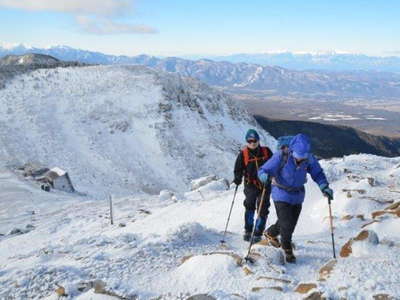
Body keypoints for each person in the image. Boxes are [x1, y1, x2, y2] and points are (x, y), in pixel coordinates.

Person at [257, 133, 333, 263]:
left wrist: (324, 186)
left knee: (289, 223)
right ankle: (286, 247)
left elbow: (318, 173)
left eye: (303, 157)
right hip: (280, 192)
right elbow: (264, 170)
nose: (300, 159)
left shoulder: (308, 158)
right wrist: (263, 175)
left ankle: (270, 232)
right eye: (298, 156)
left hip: (297, 195)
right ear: (292, 150)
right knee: (286, 223)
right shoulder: (282, 156)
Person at [233, 129, 273, 243]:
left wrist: (270, 177)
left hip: (265, 184)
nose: (252, 143)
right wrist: (237, 178)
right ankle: (248, 230)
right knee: (249, 206)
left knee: (263, 208)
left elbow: (274, 165)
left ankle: (258, 232)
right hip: (250, 184)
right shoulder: (243, 154)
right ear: (246, 141)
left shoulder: (266, 152)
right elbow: (238, 168)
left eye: (254, 140)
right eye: (249, 141)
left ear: (258, 140)